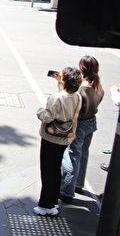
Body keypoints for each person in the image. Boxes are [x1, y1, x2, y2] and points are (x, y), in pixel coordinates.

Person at [34, 67, 82, 216]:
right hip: (65, 137)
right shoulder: (78, 97)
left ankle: (45, 205)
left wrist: (40, 111)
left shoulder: (55, 98)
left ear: (64, 80)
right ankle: (53, 202)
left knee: (47, 171)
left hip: (51, 138)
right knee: (55, 170)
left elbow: (47, 117)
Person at [60, 56, 104, 202]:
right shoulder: (97, 83)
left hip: (81, 123)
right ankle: (78, 183)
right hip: (92, 121)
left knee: (72, 154)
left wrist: (61, 84)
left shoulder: (83, 87)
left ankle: (67, 190)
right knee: (83, 153)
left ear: (82, 68)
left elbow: (72, 102)